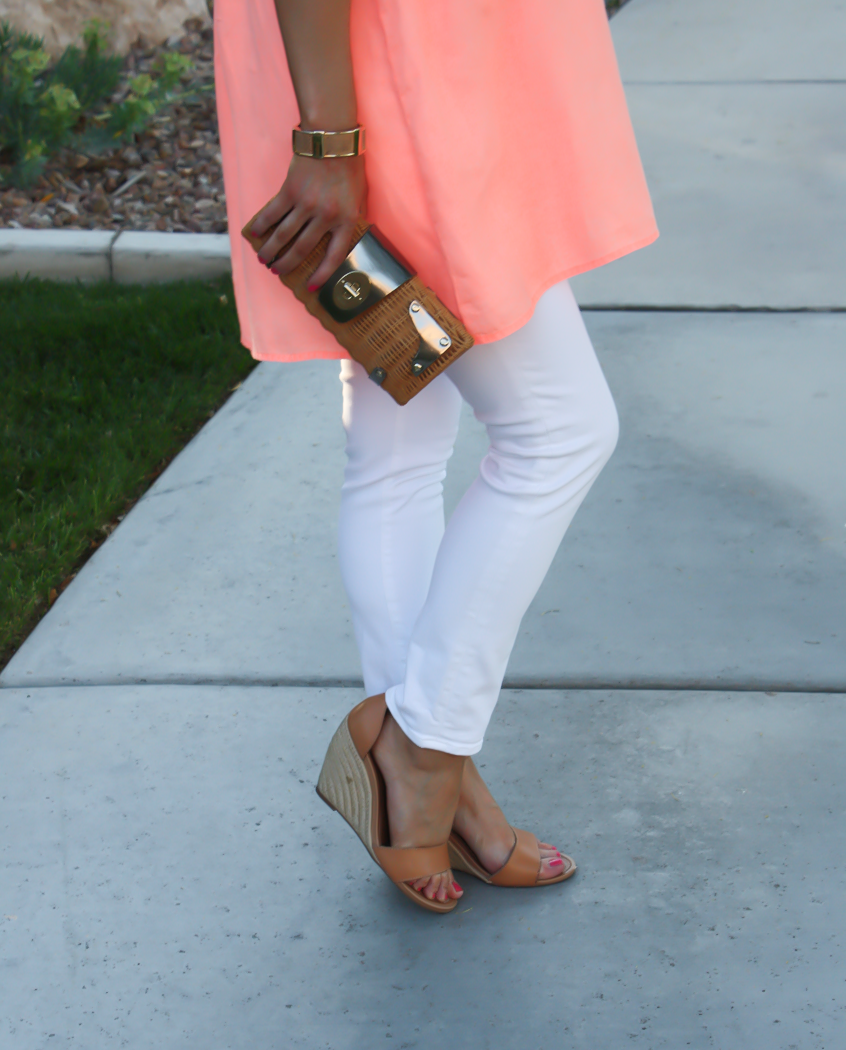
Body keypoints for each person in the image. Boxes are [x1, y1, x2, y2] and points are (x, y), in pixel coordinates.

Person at [214, 0, 657, 912]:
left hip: (409, 74)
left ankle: (431, 795)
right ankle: (422, 752)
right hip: (395, 87)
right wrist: (330, 144)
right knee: (560, 429)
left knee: (396, 442)